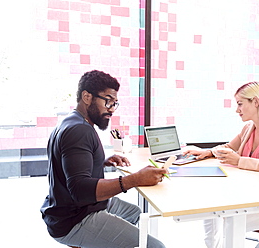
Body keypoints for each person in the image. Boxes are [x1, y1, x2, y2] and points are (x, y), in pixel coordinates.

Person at [40, 70, 167, 248]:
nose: (112, 109)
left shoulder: (72, 121)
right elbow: (80, 189)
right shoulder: (79, 130)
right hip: (74, 218)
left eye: (115, 103)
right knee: (156, 246)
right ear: (86, 96)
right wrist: (135, 179)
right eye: (107, 101)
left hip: (70, 207)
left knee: (134, 213)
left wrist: (98, 161)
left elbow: (69, 163)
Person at [183, 82, 259, 248]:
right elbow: (229, 148)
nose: (237, 110)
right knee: (208, 209)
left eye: (240, 104)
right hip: (245, 197)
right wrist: (207, 152)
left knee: (229, 218)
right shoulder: (248, 128)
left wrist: (239, 161)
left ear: (256, 102)